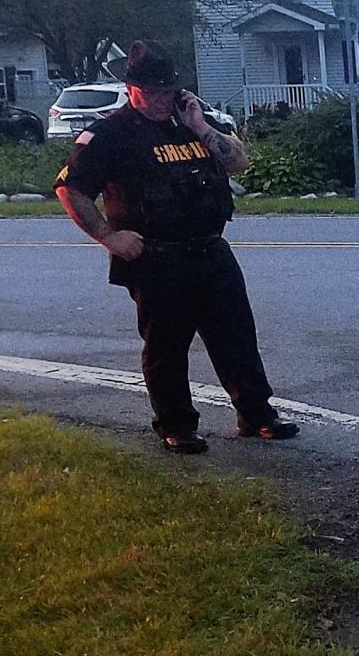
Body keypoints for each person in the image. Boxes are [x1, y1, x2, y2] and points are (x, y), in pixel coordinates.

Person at [54, 41, 298, 453]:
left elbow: (238, 161)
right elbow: (69, 188)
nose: (161, 99)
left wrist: (200, 126)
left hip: (210, 249)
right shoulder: (110, 134)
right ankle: (177, 425)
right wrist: (108, 237)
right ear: (132, 88)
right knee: (166, 347)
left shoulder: (189, 122)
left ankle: (257, 415)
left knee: (236, 337)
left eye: (167, 91)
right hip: (156, 256)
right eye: (153, 92)